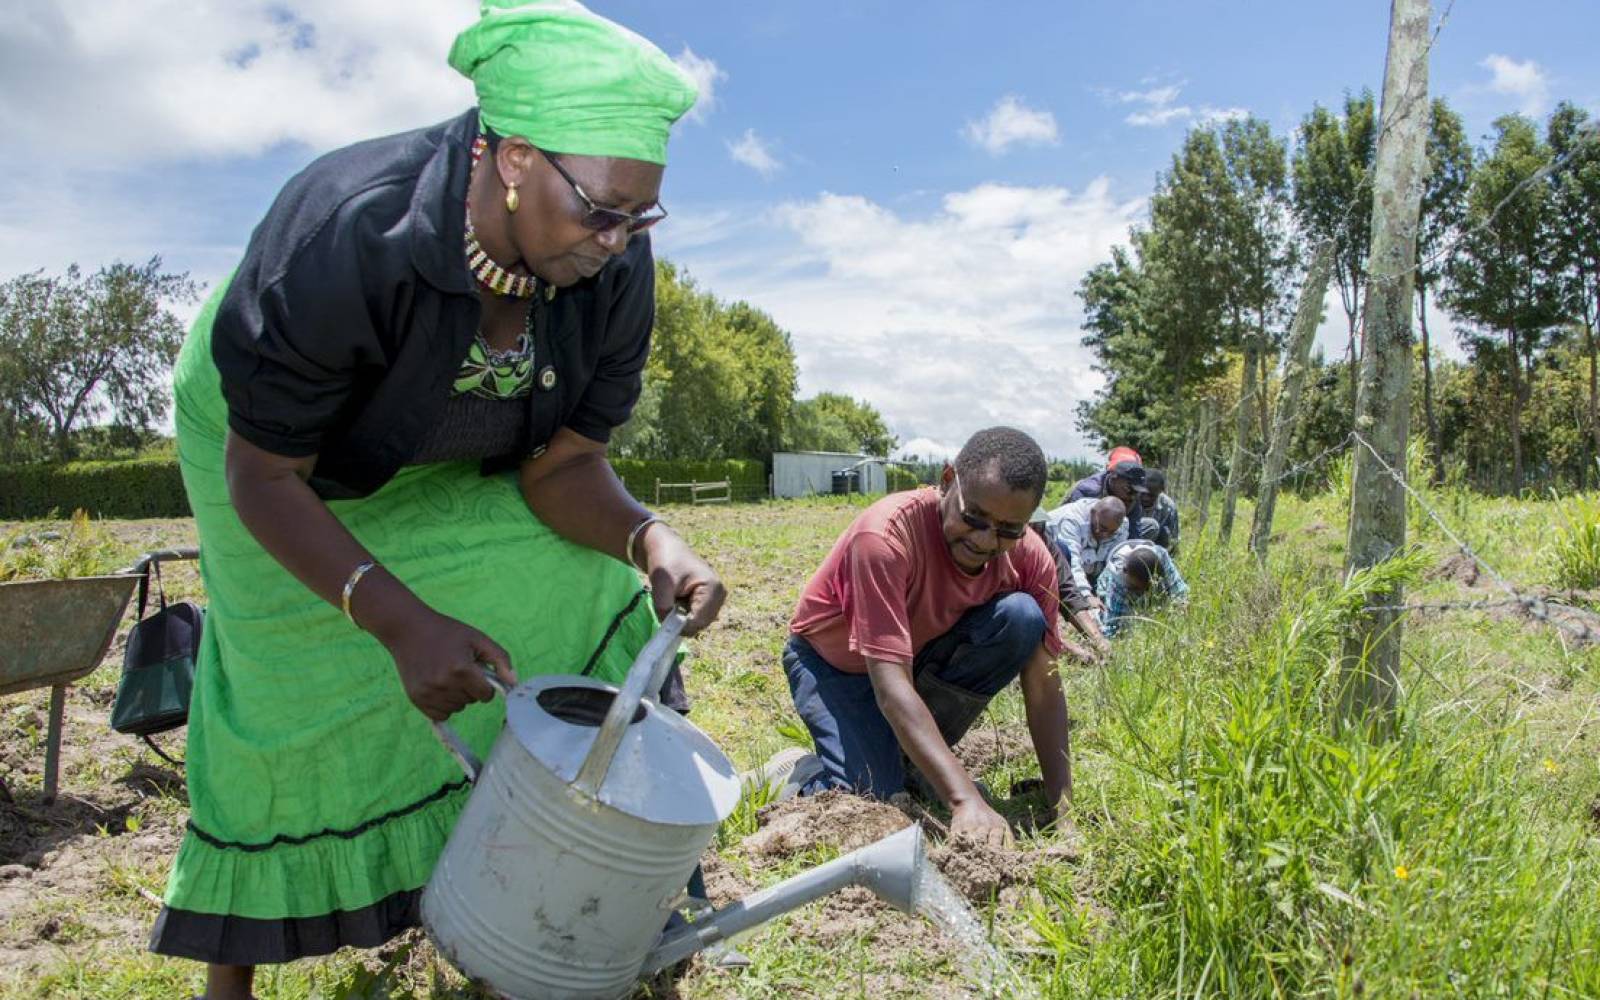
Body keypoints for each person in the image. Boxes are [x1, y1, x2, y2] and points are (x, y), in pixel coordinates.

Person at [149, 5, 725, 997]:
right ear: (510, 157)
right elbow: (263, 478)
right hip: (268, 449)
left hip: (427, 437)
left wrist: (649, 536)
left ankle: (542, 885)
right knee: (286, 671)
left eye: (642, 218)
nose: (618, 242)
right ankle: (229, 971)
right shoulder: (343, 233)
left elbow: (562, 468)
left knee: (573, 581)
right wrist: (398, 618)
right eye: (599, 210)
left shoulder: (610, 268)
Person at [773, 428, 1073, 847]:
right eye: (974, 517)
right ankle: (799, 773)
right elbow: (890, 685)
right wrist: (963, 798)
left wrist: (1065, 810)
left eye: (1008, 529)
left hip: (917, 660)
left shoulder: (1031, 558)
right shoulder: (883, 537)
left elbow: (1045, 686)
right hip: (837, 668)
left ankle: (910, 761)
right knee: (874, 803)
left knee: (1022, 616)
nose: (985, 540)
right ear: (948, 480)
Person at [1045, 496, 1127, 656]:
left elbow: (1113, 562)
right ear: (1093, 513)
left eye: (1111, 532)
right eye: (1101, 527)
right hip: (1057, 567)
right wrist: (1086, 595)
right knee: (1064, 552)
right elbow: (1070, 566)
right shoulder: (1071, 520)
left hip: (1089, 568)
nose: (1103, 534)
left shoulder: (1122, 526)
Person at [1096, 539, 1190, 638]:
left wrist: (1182, 612)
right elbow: (1112, 624)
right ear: (1125, 572)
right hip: (1110, 589)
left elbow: (1179, 590)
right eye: (1138, 588)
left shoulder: (1161, 558)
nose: (1142, 592)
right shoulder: (1117, 581)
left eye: (1147, 588)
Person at [1070, 458, 1156, 541]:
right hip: (1081, 532)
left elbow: (1134, 532)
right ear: (1114, 478)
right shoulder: (1089, 490)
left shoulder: (1132, 497)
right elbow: (1073, 525)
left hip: (1112, 534)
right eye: (1129, 489)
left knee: (1151, 525)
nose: (1132, 496)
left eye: (1136, 491)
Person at [1146, 469, 1180, 555]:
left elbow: (1173, 538)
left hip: (1156, 548)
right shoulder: (1131, 499)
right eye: (1143, 493)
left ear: (1160, 491)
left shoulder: (1168, 506)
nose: (1146, 498)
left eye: (1151, 495)